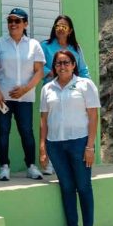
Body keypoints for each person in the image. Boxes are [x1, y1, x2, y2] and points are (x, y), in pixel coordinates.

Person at [39, 50, 100, 226]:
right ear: (54, 66)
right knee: (66, 188)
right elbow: (43, 119)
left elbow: (92, 116)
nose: (62, 66)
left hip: (79, 142)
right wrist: (43, 146)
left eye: (66, 62)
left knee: (83, 186)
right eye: (58, 63)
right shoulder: (48, 88)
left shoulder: (85, 85)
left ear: (74, 65)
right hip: (55, 144)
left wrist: (90, 146)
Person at [0, 8, 46, 181]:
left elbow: (39, 72)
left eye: (17, 21)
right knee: (3, 131)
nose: (13, 24)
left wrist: (25, 89)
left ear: (25, 24)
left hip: (25, 98)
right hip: (2, 98)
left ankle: (31, 166)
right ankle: (4, 167)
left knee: (26, 132)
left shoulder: (34, 45)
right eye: (10, 21)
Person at [40, 15, 90, 176]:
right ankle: (49, 161)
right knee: (51, 125)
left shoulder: (76, 48)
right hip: (53, 91)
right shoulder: (45, 46)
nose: (60, 28)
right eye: (58, 25)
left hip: (73, 92)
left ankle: (71, 161)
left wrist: (86, 86)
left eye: (64, 26)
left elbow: (83, 70)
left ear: (70, 30)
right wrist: (54, 75)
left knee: (70, 125)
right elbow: (39, 66)